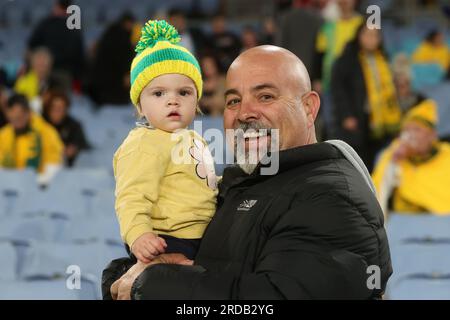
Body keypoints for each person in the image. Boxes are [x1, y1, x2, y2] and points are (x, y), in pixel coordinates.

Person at [104, 45, 392, 300]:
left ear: (309, 108)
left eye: (265, 96)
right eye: (233, 101)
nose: (244, 113)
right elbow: (208, 271)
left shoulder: (332, 196)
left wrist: (150, 285)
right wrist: (124, 275)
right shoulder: (243, 184)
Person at [113, 21, 218, 265]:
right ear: (140, 105)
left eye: (184, 92)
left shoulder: (196, 138)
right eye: (158, 93)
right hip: (168, 239)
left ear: (197, 100)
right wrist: (139, 234)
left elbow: (201, 185)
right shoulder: (144, 142)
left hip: (202, 237)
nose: (173, 101)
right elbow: (131, 195)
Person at [331, 25, 402, 171]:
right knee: (358, 162)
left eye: (375, 35)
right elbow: (338, 89)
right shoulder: (348, 59)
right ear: (359, 36)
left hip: (381, 120)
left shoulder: (383, 58)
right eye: (367, 35)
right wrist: (346, 115)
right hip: (357, 117)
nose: (371, 39)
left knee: (378, 160)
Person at [372, 100, 450, 215]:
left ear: (432, 136)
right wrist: (393, 162)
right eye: (406, 130)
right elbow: (377, 195)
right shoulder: (394, 154)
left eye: (417, 129)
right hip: (408, 224)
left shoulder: (446, 155)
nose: (410, 135)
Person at [0, 94, 63, 186]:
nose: (17, 118)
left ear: (28, 113)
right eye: (13, 114)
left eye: (21, 114)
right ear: (8, 114)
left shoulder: (46, 133)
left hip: (40, 188)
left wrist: (36, 183)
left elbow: (53, 165)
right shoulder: (4, 135)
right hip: (10, 189)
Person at [28, 0, 85, 83]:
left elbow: (32, 46)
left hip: (45, 73)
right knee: (61, 96)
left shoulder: (45, 24)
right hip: (65, 74)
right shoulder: (74, 28)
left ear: (56, 6)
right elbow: (79, 55)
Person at [87, 12, 136, 106]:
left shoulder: (109, 33)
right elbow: (122, 58)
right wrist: (127, 72)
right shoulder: (122, 38)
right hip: (114, 82)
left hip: (101, 83)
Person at [42, 91, 90, 167]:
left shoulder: (74, 126)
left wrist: (74, 149)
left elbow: (83, 145)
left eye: (61, 108)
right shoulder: (41, 124)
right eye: (54, 107)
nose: (57, 111)